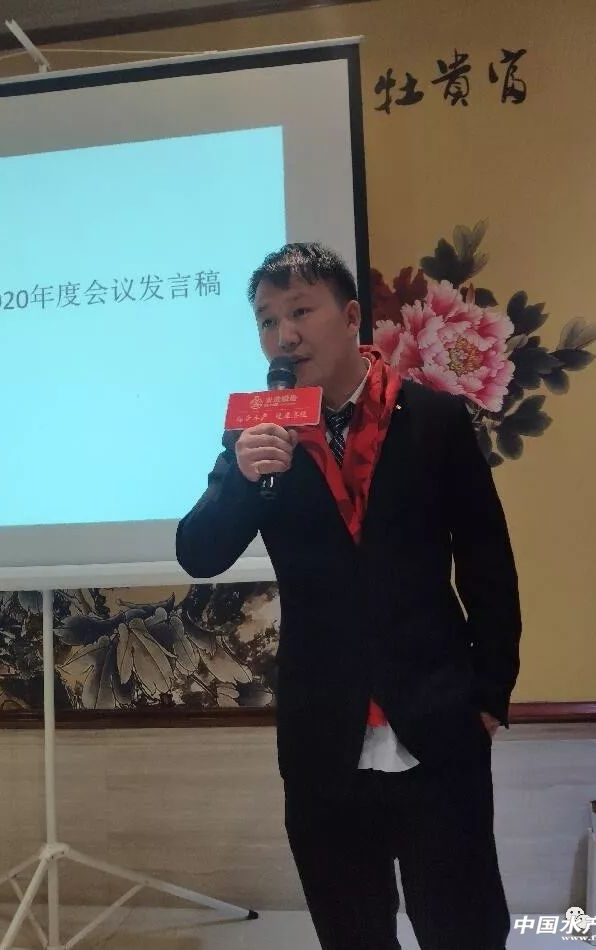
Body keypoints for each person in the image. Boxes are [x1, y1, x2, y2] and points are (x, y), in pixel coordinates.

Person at [176, 242, 522, 950]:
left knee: (463, 925)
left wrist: (489, 693)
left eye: (300, 311)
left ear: (352, 315)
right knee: (351, 930)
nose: (284, 335)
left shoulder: (431, 419)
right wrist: (241, 477)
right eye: (267, 321)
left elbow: (487, 564)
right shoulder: (257, 434)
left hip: (437, 720)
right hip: (322, 732)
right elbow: (199, 553)